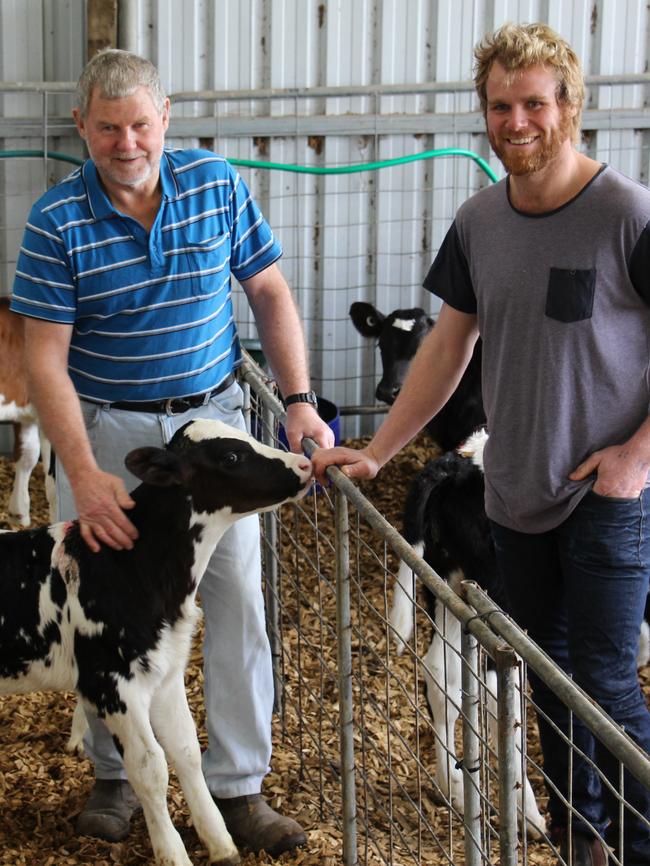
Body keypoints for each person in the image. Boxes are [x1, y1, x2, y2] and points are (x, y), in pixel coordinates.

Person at [313, 22, 650, 866]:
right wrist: (380, 452)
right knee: (545, 673)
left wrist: (635, 458)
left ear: (570, 107)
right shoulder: (477, 221)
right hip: (515, 492)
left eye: (535, 103)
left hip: (606, 498)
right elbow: (446, 348)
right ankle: (584, 839)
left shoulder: (627, 215)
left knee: (605, 681)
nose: (517, 122)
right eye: (500, 106)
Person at [11, 48, 334, 857]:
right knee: (97, 608)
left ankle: (238, 786)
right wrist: (82, 471)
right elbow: (45, 356)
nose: (127, 143)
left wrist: (297, 402)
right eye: (109, 127)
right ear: (81, 125)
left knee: (235, 603)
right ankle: (115, 778)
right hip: (107, 432)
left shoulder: (218, 187)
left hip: (213, 433)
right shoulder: (55, 222)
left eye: (141, 125)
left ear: (166, 121)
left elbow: (267, 291)